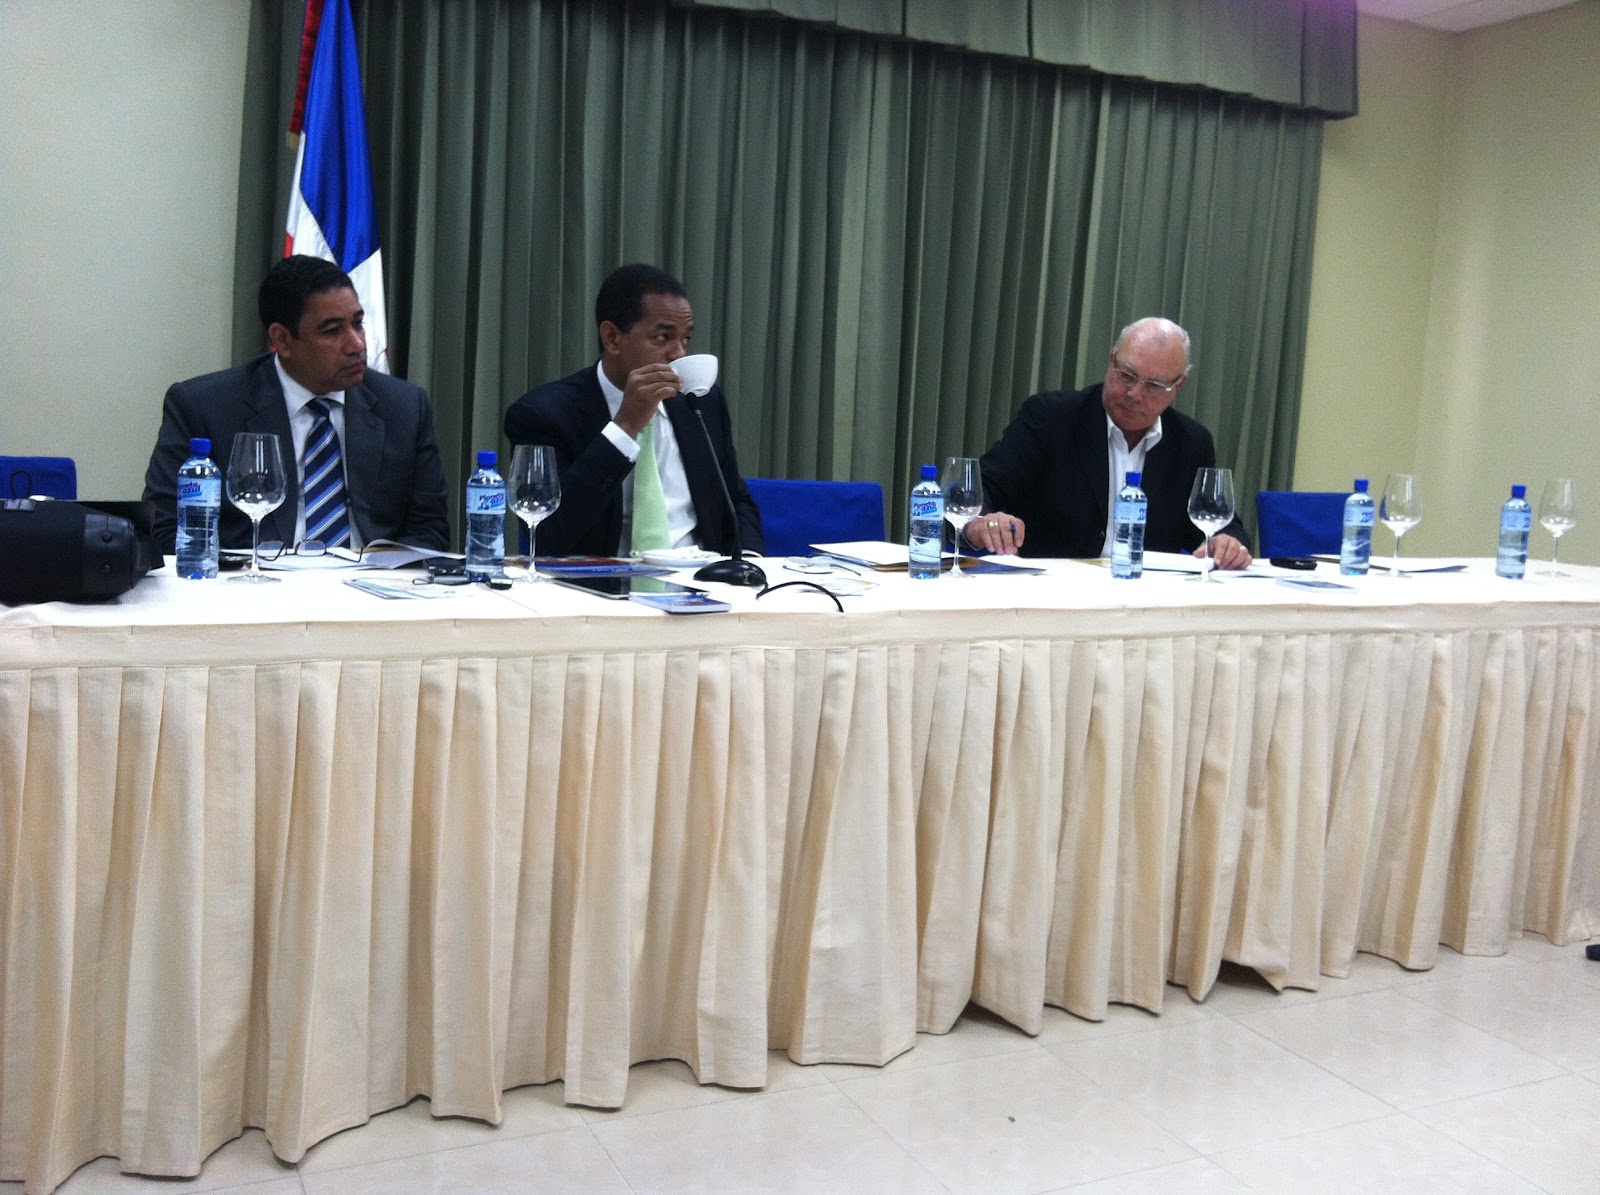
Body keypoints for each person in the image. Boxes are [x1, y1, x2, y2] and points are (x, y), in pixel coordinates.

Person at [143, 255, 450, 554]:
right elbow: (165, 528)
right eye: (333, 331)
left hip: (371, 581)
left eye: (358, 324)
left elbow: (430, 531)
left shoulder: (404, 406)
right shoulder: (204, 407)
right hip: (254, 581)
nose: (357, 344)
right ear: (283, 340)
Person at [503, 263, 763, 558]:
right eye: (663, 338)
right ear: (612, 338)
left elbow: (735, 500)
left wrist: (749, 563)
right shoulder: (543, 415)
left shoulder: (701, 402)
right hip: (600, 582)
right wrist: (624, 427)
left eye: (685, 339)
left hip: (697, 578)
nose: (678, 353)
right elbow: (549, 535)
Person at [964, 317, 1252, 568]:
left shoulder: (1191, 442)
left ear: (1178, 386)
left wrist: (1227, 543)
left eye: (1154, 385)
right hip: (1053, 592)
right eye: (1126, 375)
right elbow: (981, 488)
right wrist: (981, 523)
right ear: (1111, 360)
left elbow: (1221, 524)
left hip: (1147, 598)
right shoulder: (1050, 418)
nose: (1134, 393)